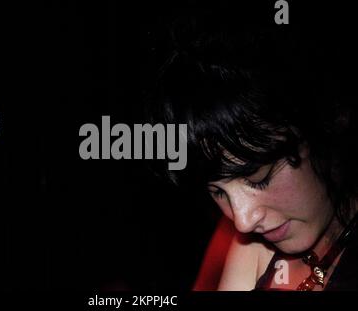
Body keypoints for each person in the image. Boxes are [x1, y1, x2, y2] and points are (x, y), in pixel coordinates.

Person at [146, 13, 358, 290]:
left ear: (324, 123)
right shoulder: (257, 247)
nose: (243, 222)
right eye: (218, 192)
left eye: (259, 177)